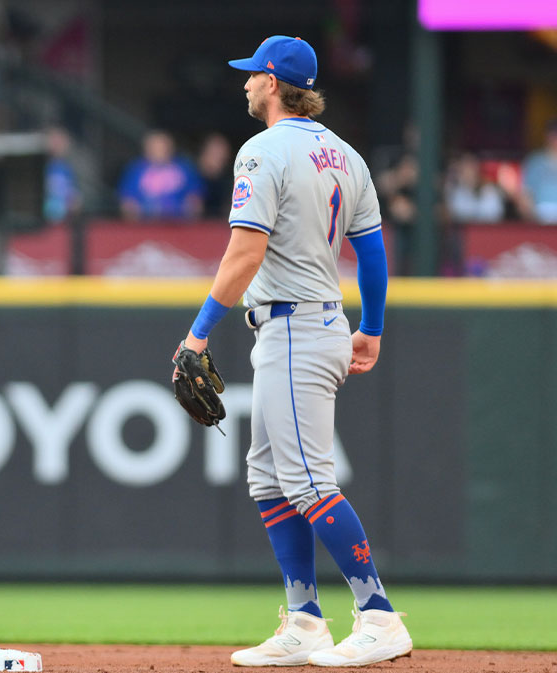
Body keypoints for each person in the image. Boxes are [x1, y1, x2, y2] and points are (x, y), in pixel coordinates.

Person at [176, 36, 411, 667]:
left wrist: (198, 331)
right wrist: (374, 327)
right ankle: (305, 620)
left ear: (274, 82)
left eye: (253, 74)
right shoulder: (347, 155)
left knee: (307, 481)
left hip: (291, 330)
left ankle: (379, 614)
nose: (246, 83)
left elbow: (245, 253)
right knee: (268, 478)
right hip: (322, 324)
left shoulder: (262, 150)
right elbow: (372, 252)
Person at [117, 129, 203, 220]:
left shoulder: (185, 169)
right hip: (145, 226)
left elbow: (195, 198)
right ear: (146, 149)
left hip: (179, 226)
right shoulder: (134, 170)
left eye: (162, 146)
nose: (159, 151)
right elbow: (127, 201)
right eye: (155, 147)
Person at [445, 153, 505, 224]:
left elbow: (495, 215)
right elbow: (453, 214)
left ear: (477, 170)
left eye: (470, 168)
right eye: (464, 169)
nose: (468, 172)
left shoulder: (490, 191)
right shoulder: (456, 192)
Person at [521, 119, 557, 224]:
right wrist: (534, 218)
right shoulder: (535, 162)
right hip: (539, 219)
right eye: (553, 135)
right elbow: (525, 195)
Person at [196, 132, 234, 218]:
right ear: (204, 152)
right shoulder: (192, 177)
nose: (218, 156)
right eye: (214, 152)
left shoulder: (230, 181)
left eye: (221, 152)